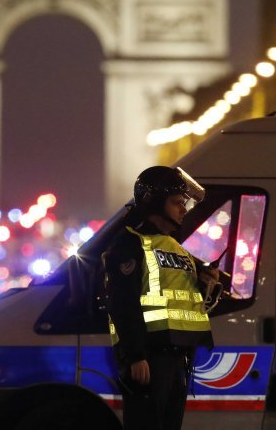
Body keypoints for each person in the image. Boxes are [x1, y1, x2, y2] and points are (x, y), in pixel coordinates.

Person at [103, 166, 219, 430]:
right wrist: (135, 356)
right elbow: (123, 303)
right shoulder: (128, 245)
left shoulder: (177, 248)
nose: (184, 209)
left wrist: (204, 283)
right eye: (177, 203)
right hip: (149, 358)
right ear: (154, 202)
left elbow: (185, 301)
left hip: (177, 358)